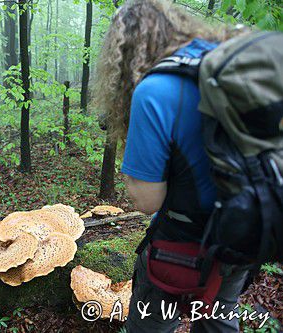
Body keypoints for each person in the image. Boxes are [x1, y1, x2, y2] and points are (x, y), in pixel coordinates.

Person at [94, 0, 249, 332]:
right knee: (220, 319)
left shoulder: (154, 90)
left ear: (123, 49)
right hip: (247, 233)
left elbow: (147, 201)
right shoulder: (227, 58)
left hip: (181, 248)